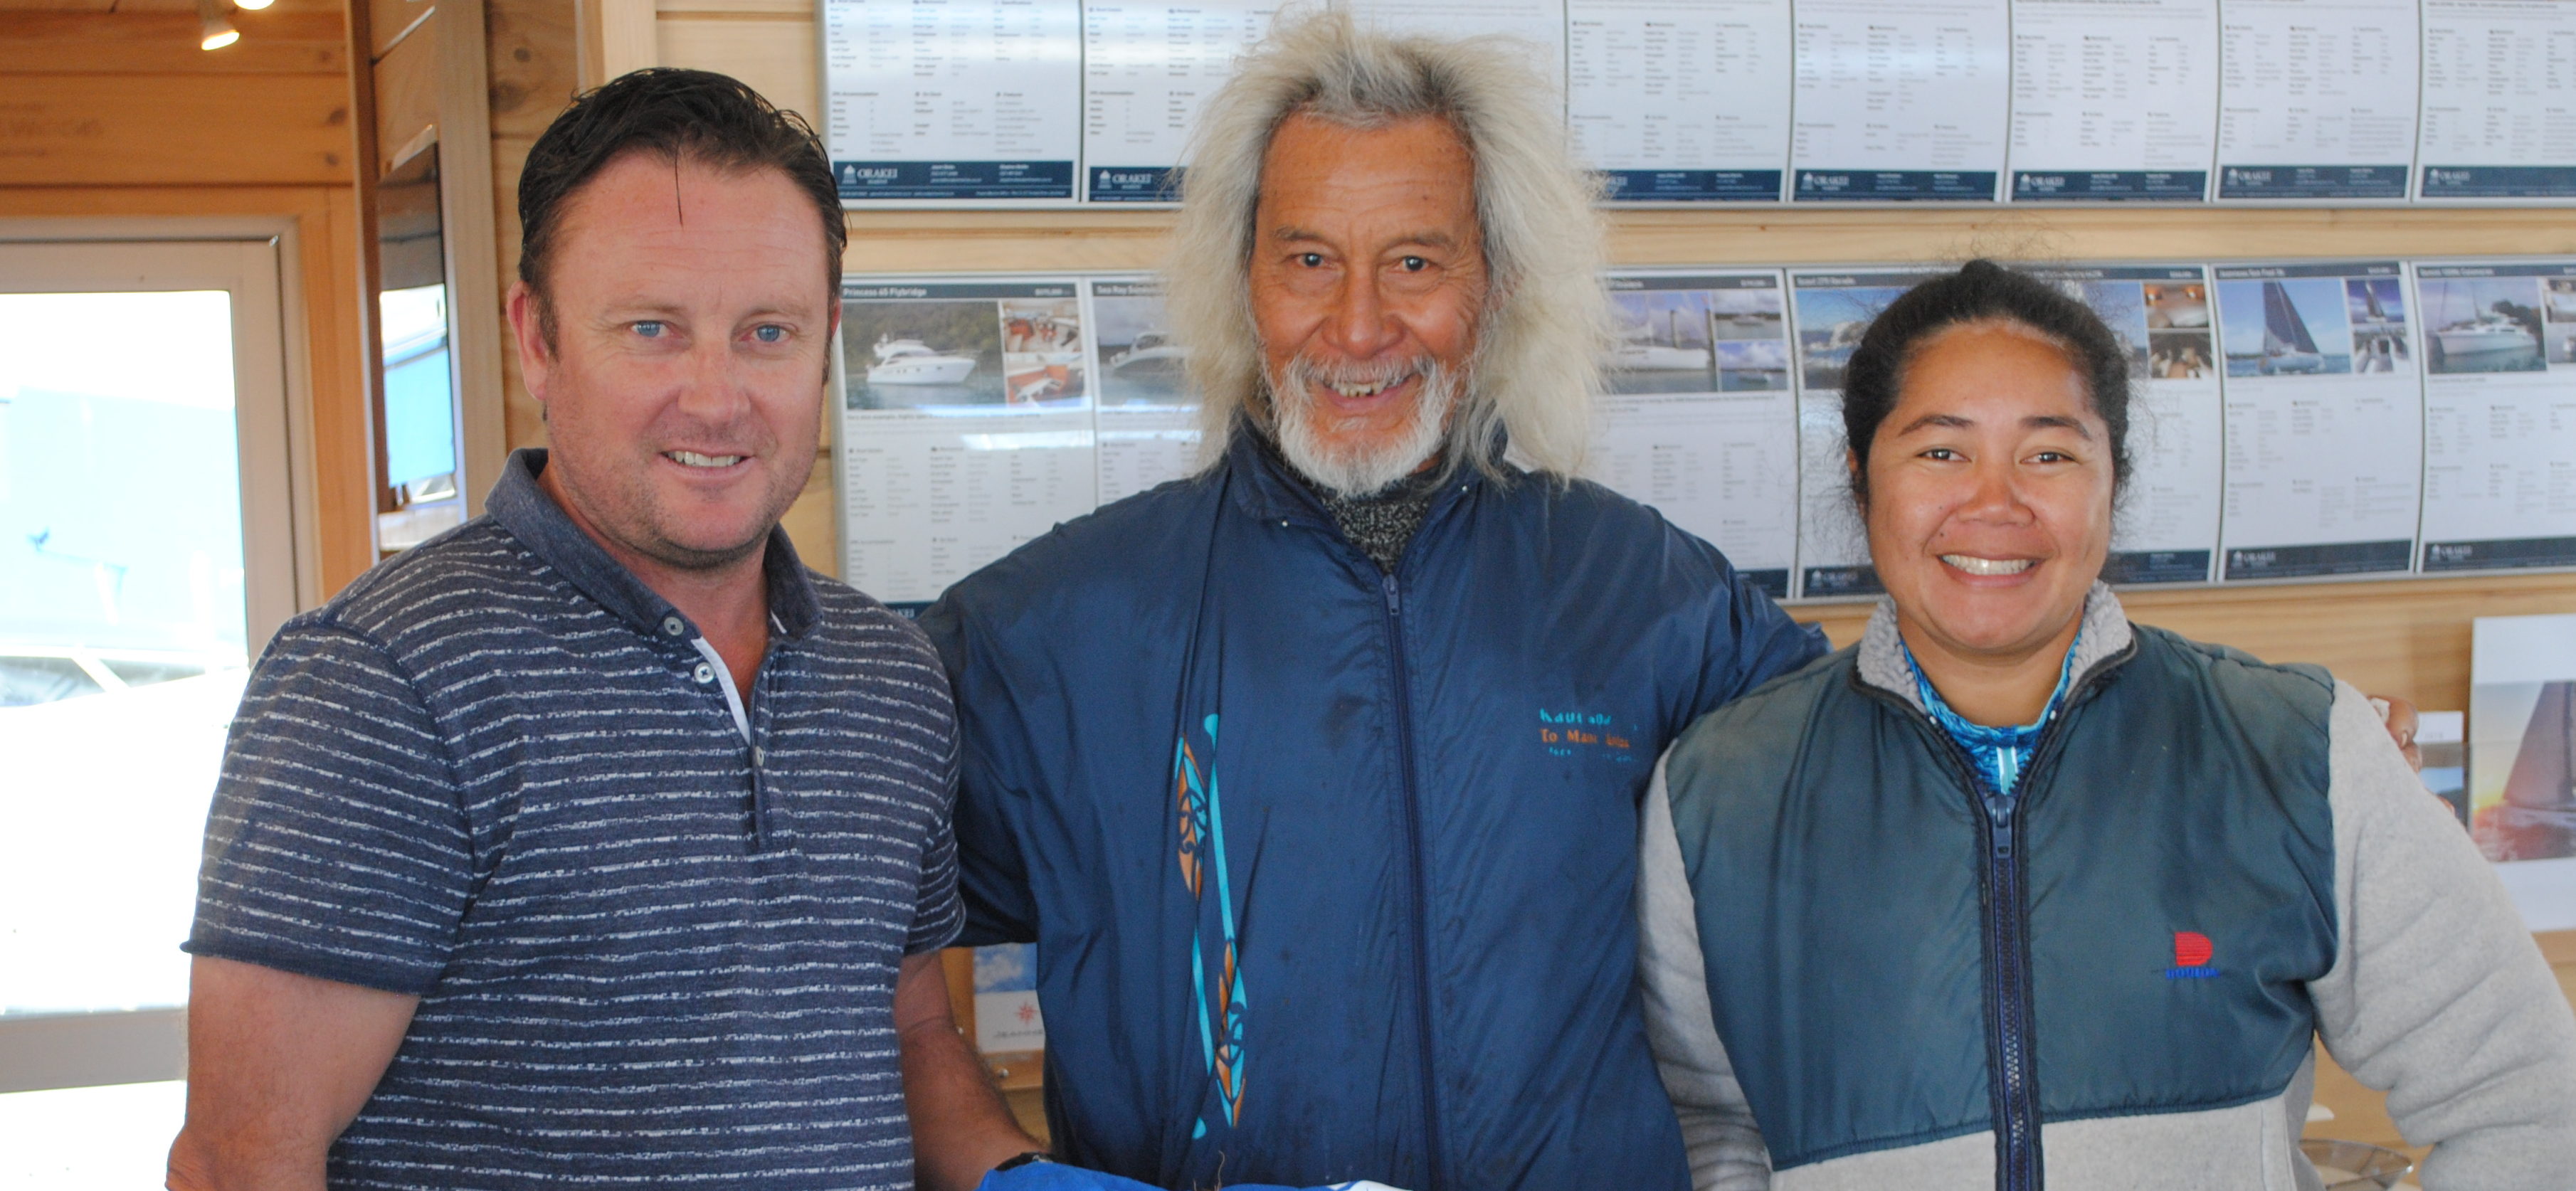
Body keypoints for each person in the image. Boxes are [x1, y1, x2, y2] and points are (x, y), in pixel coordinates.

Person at [918, 14, 1827, 1191]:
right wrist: (998, 1172)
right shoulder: (1054, 628)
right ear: (1241, 279)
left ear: (1495, 283)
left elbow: (1876, 839)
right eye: (1307, 258)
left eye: (1414, 260)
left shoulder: (1653, 599)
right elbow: (822, 898)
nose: (1357, 327)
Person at [167, 70, 1038, 1190]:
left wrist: (1025, 1181)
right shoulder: (385, 682)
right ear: (539, 339)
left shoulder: (890, 681)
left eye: (768, 331)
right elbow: (242, 1160)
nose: (717, 396)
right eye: (651, 328)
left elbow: (910, 1036)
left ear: (823, 346)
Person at [1636, 260, 2576, 1190]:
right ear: (1861, 477)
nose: (1995, 502)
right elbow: (1709, 1122)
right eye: (1941, 450)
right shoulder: (1720, 793)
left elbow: (2527, 1101)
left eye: (2049, 453)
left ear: (2111, 478)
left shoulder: (2297, 749)